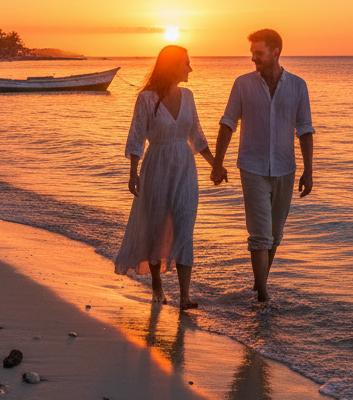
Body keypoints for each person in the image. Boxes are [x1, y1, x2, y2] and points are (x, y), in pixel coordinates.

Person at [210, 29, 313, 305]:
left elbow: (304, 130)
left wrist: (309, 170)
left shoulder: (297, 86)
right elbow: (228, 122)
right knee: (260, 234)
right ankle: (264, 297)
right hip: (252, 167)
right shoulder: (242, 84)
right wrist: (218, 163)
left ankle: (258, 285)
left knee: (275, 235)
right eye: (252, 53)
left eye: (259, 53)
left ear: (276, 52)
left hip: (285, 168)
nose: (253, 58)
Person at [114, 45, 217, 309]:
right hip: (156, 165)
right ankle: (157, 286)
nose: (190, 68)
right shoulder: (146, 98)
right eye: (186, 63)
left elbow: (197, 135)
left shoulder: (189, 96)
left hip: (185, 166)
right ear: (173, 65)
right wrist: (133, 173)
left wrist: (215, 164)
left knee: (185, 225)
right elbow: (136, 137)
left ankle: (184, 296)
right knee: (156, 226)